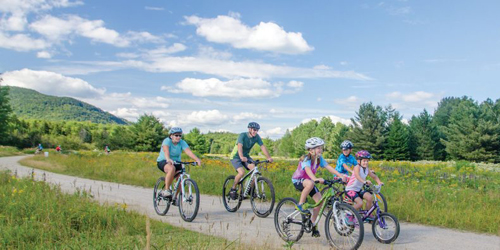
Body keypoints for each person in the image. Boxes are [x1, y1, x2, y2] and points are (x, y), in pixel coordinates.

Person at [291, 137, 348, 237]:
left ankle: (313, 224)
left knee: (319, 202)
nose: (320, 150)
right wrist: (315, 178)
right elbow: (308, 170)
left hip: (310, 181)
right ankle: (300, 204)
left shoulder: (319, 159)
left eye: (321, 148)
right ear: (311, 150)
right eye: (318, 148)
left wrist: (340, 176)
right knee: (310, 183)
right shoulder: (306, 158)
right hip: (298, 180)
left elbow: (328, 167)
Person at [229, 122, 273, 199]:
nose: (255, 132)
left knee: (254, 170)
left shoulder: (256, 137)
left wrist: (269, 157)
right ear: (249, 129)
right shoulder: (242, 135)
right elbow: (240, 146)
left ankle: (249, 190)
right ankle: (233, 188)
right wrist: (241, 156)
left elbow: (262, 147)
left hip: (246, 157)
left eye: (257, 130)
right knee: (241, 172)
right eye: (254, 130)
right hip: (236, 157)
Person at [157, 127, 201, 199]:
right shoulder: (167, 141)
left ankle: (174, 197)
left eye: (180, 135)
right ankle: (166, 190)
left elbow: (188, 152)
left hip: (176, 162)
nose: (178, 137)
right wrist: (168, 159)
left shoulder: (182, 142)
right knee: (171, 168)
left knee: (181, 177)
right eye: (176, 135)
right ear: (171, 136)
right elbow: (166, 150)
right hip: (164, 161)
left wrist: (197, 159)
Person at [345, 150, 383, 216]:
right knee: (360, 203)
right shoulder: (357, 167)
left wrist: (379, 182)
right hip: (350, 189)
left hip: (358, 190)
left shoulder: (366, 169)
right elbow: (357, 176)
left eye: (367, 161)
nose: (366, 163)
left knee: (369, 197)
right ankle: (348, 214)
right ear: (359, 161)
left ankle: (367, 214)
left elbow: (374, 176)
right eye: (364, 161)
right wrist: (364, 181)